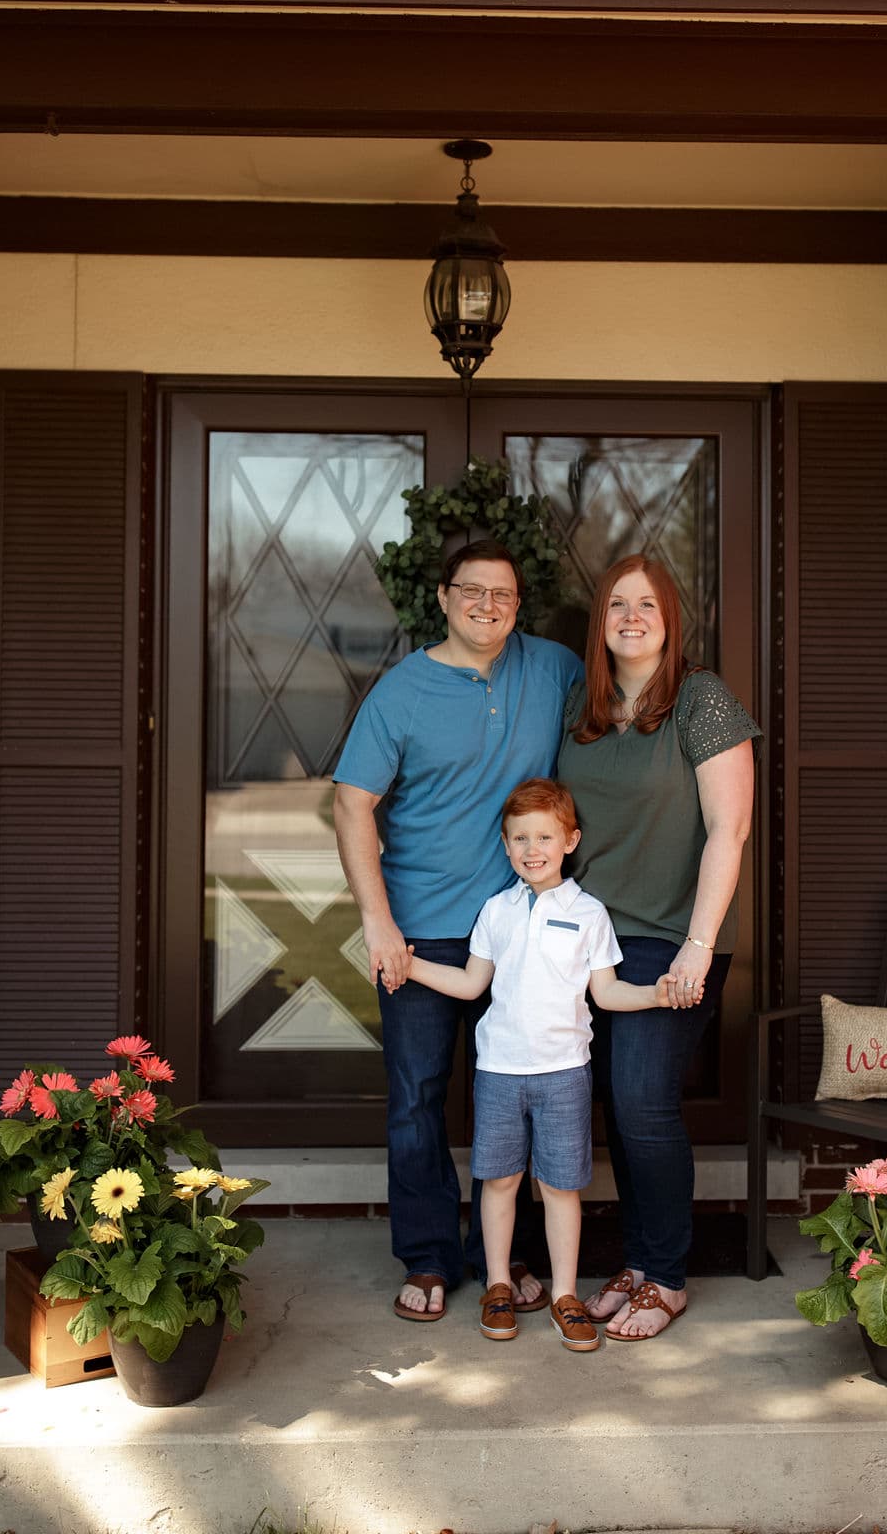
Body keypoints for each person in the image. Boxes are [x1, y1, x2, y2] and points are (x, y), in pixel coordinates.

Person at [332, 540, 583, 1322]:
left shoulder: (553, 669)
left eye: (502, 594)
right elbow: (351, 804)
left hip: (523, 929)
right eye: (470, 591)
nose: (486, 605)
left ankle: (505, 1261)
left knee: (519, 1092)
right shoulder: (401, 693)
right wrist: (378, 924)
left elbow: (620, 718)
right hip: (423, 932)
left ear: (519, 603)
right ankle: (433, 1256)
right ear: (442, 598)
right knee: (418, 1096)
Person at [393, 778, 675, 1350]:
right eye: (519, 838)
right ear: (504, 845)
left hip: (565, 1072)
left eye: (544, 836)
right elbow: (472, 984)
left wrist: (658, 994)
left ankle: (565, 1294)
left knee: (561, 1186)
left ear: (570, 840)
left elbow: (608, 994)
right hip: (498, 1071)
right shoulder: (495, 910)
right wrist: (409, 963)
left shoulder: (590, 913)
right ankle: (498, 1286)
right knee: (499, 1181)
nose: (531, 848)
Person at [557, 554, 761, 1341]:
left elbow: (729, 829)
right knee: (616, 1104)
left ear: (671, 618)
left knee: (642, 1100)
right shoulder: (585, 702)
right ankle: (639, 1264)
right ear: (599, 621)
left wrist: (698, 947)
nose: (631, 618)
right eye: (616, 605)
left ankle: (668, 1275)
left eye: (647, 605)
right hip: (590, 939)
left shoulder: (700, 699)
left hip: (672, 937)